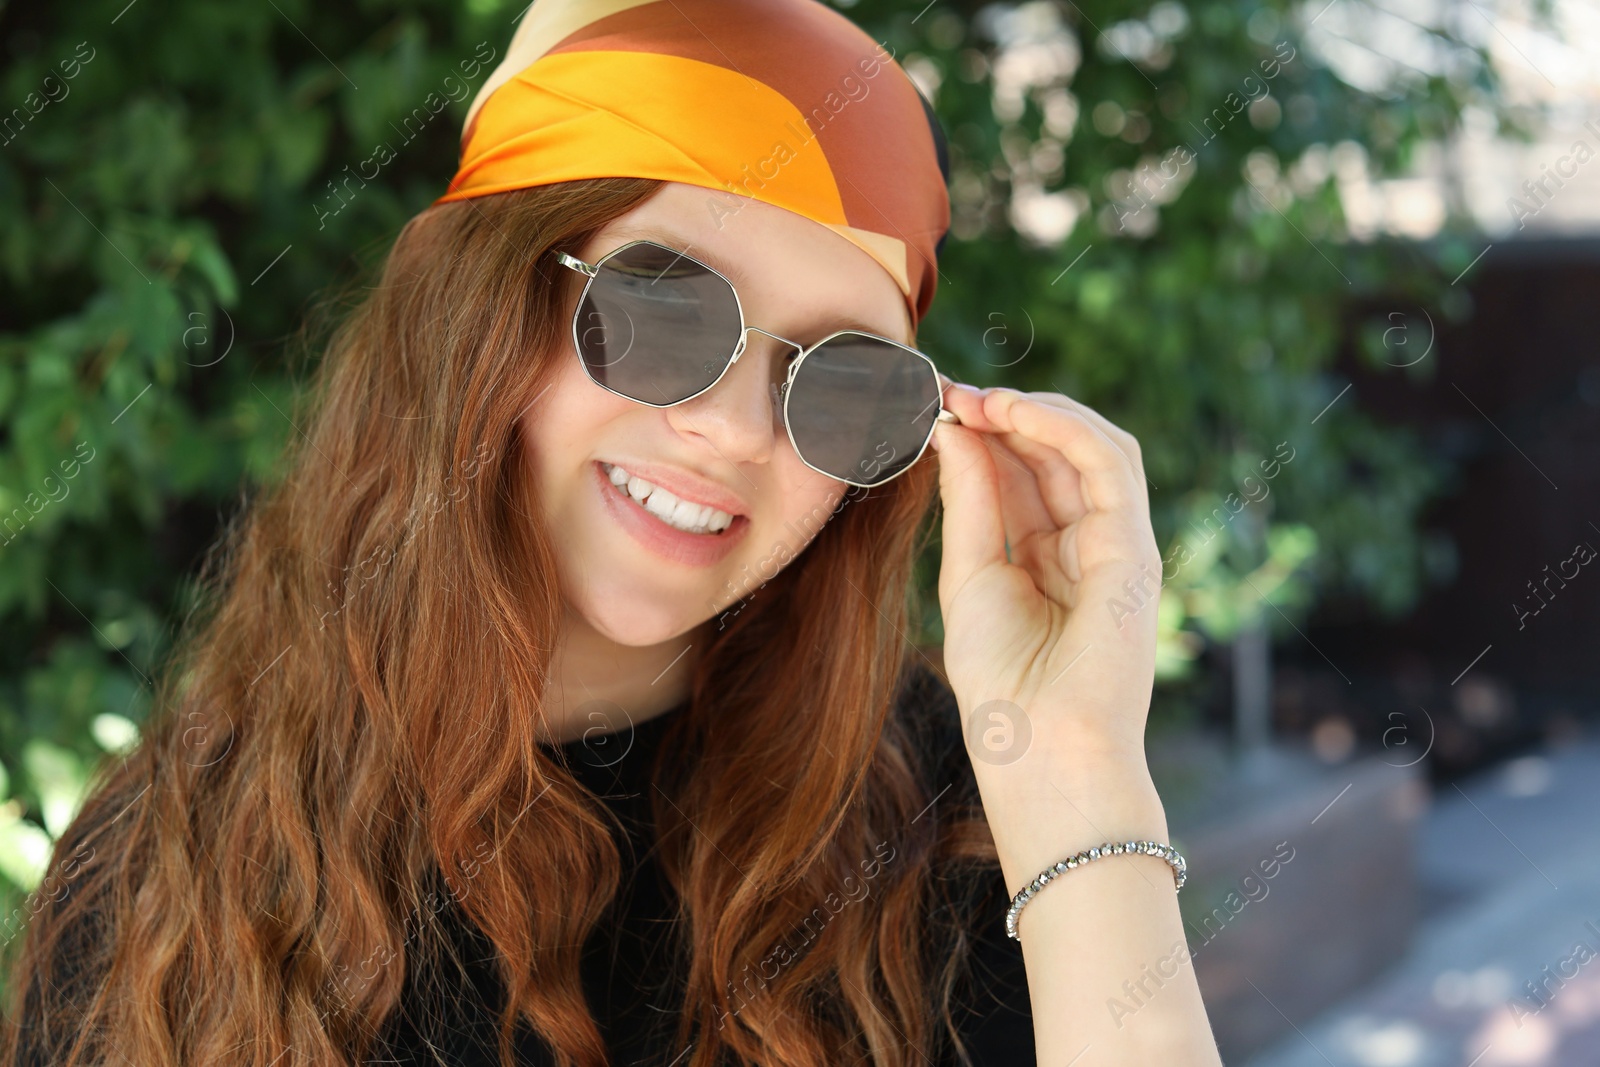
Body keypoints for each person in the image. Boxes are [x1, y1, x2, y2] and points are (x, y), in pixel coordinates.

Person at [0, 1, 1222, 1065]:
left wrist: (1074, 773)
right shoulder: (168, 871)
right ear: (482, 308)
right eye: (662, 311)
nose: (738, 431)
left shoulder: (949, 825)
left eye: (842, 378)